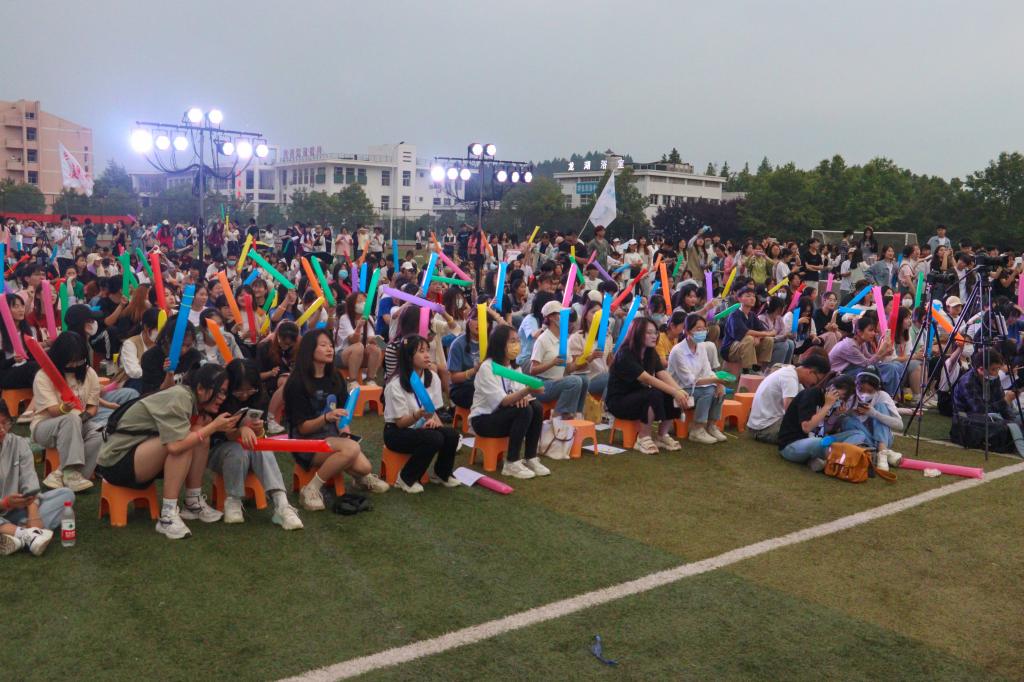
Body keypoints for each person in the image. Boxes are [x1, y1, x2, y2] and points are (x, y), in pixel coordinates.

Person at [96, 364, 241, 539]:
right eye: (219, 392)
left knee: (198, 435)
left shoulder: (189, 398)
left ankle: (193, 503)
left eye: (224, 393)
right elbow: (175, 446)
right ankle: (167, 517)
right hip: (115, 463)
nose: (222, 398)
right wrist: (213, 427)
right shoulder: (180, 397)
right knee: (182, 443)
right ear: (201, 388)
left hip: (136, 454)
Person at [283, 328, 389, 511]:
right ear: (310, 350)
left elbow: (342, 415)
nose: (330, 349)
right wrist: (326, 418)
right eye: (323, 345)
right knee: (351, 449)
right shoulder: (297, 383)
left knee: (364, 467)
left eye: (331, 345)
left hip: (332, 437)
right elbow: (303, 429)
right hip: (306, 443)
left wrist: (344, 432)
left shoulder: (335, 377)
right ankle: (311, 489)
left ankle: (360, 478)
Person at [208, 359, 303, 529]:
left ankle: (282, 503)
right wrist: (241, 430)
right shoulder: (221, 399)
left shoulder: (259, 397)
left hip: (250, 449)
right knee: (237, 450)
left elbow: (261, 435)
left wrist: (258, 430)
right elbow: (221, 434)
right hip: (219, 451)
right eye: (239, 391)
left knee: (261, 447)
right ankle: (233, 499)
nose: (245, 395)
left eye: (250, 390)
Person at [382, 335, 460, 492]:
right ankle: (405, 478)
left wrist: (433, 421)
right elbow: (400, 423)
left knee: (451, 434)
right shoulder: (395, 384)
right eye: (421, 351)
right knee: (434, 438)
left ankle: (442, 474)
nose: (427, 355)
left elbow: (433, 411)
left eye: (427, 350)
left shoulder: (433, 378)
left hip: (421, 426)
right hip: (396, 432)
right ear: (409, 356)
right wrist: (418, 415)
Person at [470, 324, 547, 479]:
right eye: (512, 341)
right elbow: (504, 401)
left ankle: (530, 457)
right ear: (500, 344)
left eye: (518, 341)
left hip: (505, 415)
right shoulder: (487, 368)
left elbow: (519, 394)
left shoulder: (514, 367)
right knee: (524, 410)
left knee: (536, 406)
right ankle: (511, 462)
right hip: (484, 420)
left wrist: (524, 396)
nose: (516, 345)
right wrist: (527, 390)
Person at [31, 332, 102, 493]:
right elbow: (52, 411)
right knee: (70, 419)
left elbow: (93, 407)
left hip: (77, 422)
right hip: (45, 427)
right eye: (72, 360)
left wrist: (83, 417)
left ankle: (63, 474)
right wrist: (65, 408)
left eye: (79, 360)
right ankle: (71, 475)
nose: (76, 365)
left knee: (101, 432)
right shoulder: (43, 376)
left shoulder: (89, 373)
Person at [606, 318, 689, 454]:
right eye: (648, 333)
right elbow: (647, 378)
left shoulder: (651, 352)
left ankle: (662, 435)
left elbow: (662, 373)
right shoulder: (625, 353)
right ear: (637, 333)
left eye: (655, 332)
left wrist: (679, 390)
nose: (654, 336)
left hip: (639, 396)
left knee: (668, 393)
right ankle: (643, 438)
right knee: (655, 393)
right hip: (619, 401)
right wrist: (675, 391)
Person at [0, 402, 69, 556]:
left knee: (65, 495)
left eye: (5, 423)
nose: (2, 429)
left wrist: (33, 514)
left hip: (18, 509)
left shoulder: (18, 443)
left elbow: (29, 480)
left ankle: (15, 533)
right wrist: (5, 503)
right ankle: (28, 535)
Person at [668, 314, 728, 444]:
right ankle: (697, 429)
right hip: (679, 390)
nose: (702, 332)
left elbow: (708, 371)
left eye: (704, 328)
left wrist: (718, 383)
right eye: (698, 329)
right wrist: (715, 381)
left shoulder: (700, 346)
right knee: (708, 391)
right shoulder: (678, 351)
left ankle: (711, 426)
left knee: (720, 389)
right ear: (687, 331)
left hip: (696, 386)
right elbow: (689, 381)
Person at [777, 375, 859, 469]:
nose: (840, 400)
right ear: (832, 387)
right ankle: (838, 460)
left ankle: (825, 459)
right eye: (841, 396)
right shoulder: (811, 395)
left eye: (843, 398)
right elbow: (807, 428)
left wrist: (835, 415)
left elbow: (823, 430)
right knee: (820, 442)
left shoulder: (832, 402)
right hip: (792, 446)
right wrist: (827, 406)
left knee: (857, 433)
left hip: (817, 441)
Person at [951, 350, 1024, 456]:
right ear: (981, 369)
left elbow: (1001, 403)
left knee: (1018, 418)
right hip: (970, 421)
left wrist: (1012, 420)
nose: (996, 372)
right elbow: (980, 410)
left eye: (998, 369)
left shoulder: (993, 378)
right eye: (993, 369)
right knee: (1003, 425)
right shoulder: (967, 382)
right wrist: (1005, 402)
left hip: (992, 415)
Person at [747, 353, 832, 443]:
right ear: (810, 372)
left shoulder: (792, 374)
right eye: (818, 380)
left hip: (766, 423)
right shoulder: (789, 378)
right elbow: (791, 411)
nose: (816, 384)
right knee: (809, 435)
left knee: (812, 431)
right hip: (764, 428)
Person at [528, 300, 588, 423]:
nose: (564, 318)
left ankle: (576, 415)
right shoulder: (543, 340)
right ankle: (559, 418)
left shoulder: (563, 339)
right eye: (560, 314)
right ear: (551, 317)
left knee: (584, 380)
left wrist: (586, 359)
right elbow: (532, 370)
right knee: (574, 381)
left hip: (557, 382)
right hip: (542, 384)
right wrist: (552, 363)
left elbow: (569, 369)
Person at [837, 371, 904, 471]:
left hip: (885, 440)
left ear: (877, 389)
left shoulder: (882, 395)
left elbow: (899, 425)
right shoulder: (850, 396)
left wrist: (874, 414)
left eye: (870, 391)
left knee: (880, 406)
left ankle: (881, 451)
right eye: (861, 389)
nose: (864, 394)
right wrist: (849, 412)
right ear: (856, 386)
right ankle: (882, 453)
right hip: (862, 438)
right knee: (847, 420)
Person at [828, 316, 902, 397]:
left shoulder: (861, 342)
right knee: (882, 369)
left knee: (892, 366)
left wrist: (884, 353)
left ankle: (892, 397)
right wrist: (881, 351)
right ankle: (891, 397)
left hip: (851, 370)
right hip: (838, 376)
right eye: (870, 330)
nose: (874, 333)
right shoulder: (850, 346)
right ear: (859, 332)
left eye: (874, 330)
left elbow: (869, 357)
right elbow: (867, 363)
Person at [721, 286, 774, 373]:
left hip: (745, 345)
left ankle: (758, 368)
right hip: (730, 349)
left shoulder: (752, 315)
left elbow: (763, 330)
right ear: (739, 299)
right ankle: (747, 370)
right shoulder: (735, 315)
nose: (752, 298)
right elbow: (745, 332)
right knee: (749, 338)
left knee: (768, 340)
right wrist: (765, 334)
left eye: (753, 296)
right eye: (748, 296)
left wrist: (759, 337)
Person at [334, 292, 382, 388]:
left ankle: (370, 379)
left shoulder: (369, 318)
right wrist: (359, 327)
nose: (363, 304)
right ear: (352, 304)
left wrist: (378, 340)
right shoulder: (345, 318)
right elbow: (354, 340)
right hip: (342, 354)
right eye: (360, 301)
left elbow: (370, 337)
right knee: (358, 347)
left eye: (365, 301)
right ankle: (352, 381)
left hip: (360, 355)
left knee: (375, 348)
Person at [446, 307, 482, 409]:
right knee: (482, 395)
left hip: (485, 385)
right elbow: (453, 378)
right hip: (463, 388)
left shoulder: (491, 342)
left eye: (483, 320)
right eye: (475, 319)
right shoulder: (457, 344)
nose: (479, 323)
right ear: (468, 321)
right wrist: (474, 370)